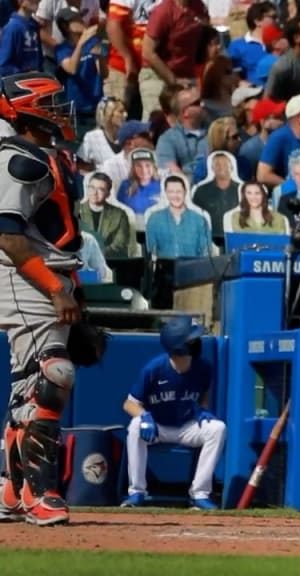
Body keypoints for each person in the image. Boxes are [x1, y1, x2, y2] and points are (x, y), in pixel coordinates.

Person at [0, 72, 83, 527]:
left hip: (51, 277)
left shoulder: (45, 155)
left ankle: (11, 490)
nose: (58, 110)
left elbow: (60, 237)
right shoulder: (18, 156)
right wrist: (54, 289)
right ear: (28, 110)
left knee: (28, 386)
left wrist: (72, 288)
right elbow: (8, 236)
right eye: (49, 103)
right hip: (29, 279)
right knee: (53, 376)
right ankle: (38, 491)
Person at [120, 317, 226, 510]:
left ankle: (200, 494)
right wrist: (144, 416)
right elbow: (129, 404)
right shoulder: (154, 369)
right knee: (135, 427)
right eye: (192, 341)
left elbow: (204, 394)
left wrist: (202, 409)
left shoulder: (203, 368)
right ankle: (137, 492)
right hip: (157, 427)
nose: (198, 344)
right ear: (178, 347)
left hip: (186, 426)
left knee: (218, 428)